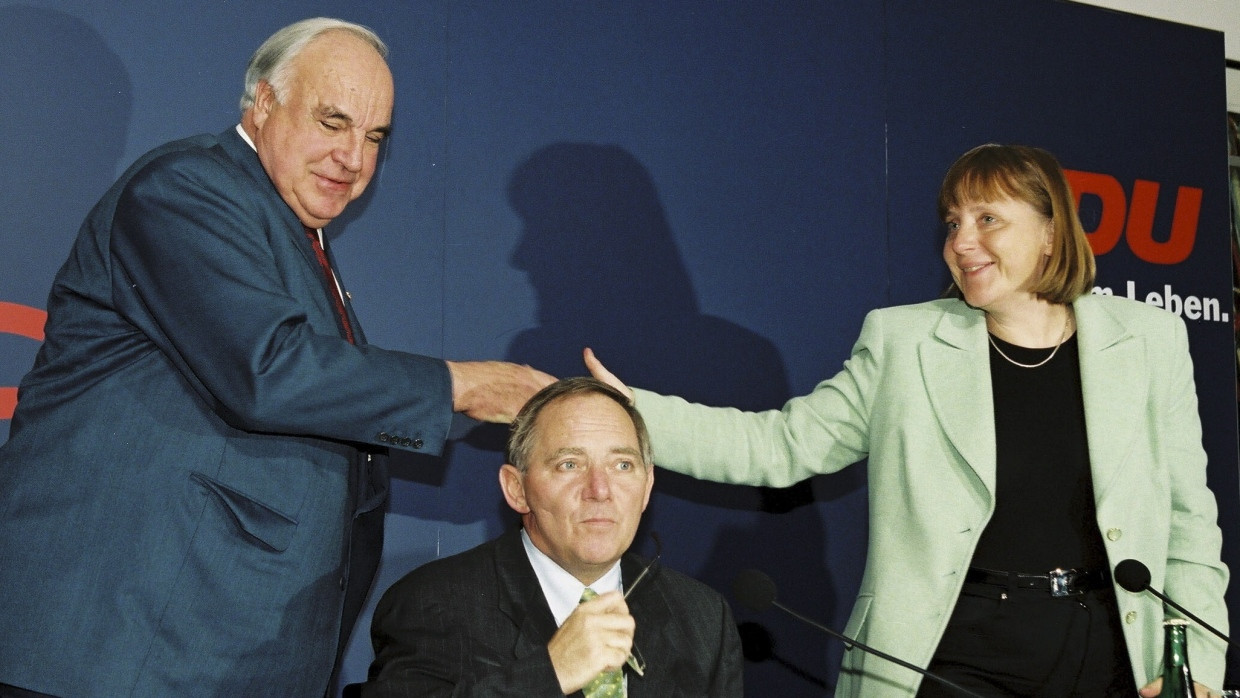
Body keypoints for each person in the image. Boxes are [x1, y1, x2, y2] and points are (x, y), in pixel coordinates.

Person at [0, 18, 552, 698]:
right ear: (263, 105)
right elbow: (269, 371)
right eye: (333, 122)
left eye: (373, 137)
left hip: (209, 656)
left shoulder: (291, 233)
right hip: (120, 653)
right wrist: (461, 387)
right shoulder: (189, 189)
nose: (353, 157)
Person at [585, 144, 1229, 697]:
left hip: (1111, 655)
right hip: (952, 657)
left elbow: (1187, 521)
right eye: (952, 224)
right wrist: (621, 414)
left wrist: (1195, 667)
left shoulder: (1149, 340)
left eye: (987, 219)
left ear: (1051, 232)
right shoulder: (904, 344)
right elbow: (778, 446)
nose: (961, 242)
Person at [357, 377, 743, 696]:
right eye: (569, 464)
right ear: (516, 489)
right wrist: (549, 673)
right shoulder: (433, 603)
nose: (600, 489)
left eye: (622, 465)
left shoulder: (703, 617)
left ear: (647, 488)